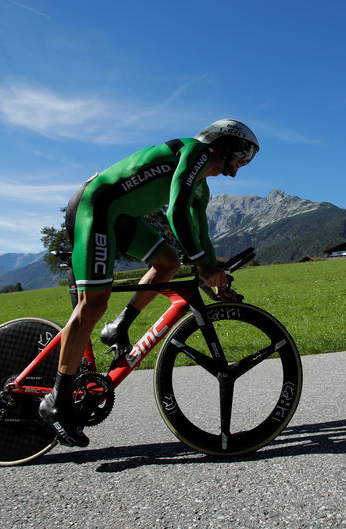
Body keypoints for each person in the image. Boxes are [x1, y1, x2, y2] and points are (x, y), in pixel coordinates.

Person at [39, 119, 260, 447]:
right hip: (95, 208)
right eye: (240, 158)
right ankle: (56, 401)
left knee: (168, 263)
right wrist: (202, 265)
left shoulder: (202, 187)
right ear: (224, 144)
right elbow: (177, 214)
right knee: (94, 303)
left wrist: (214, 274)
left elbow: (201, 235)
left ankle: (119, 326)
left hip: (122, 217)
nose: (237, 170)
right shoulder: (196, 151)